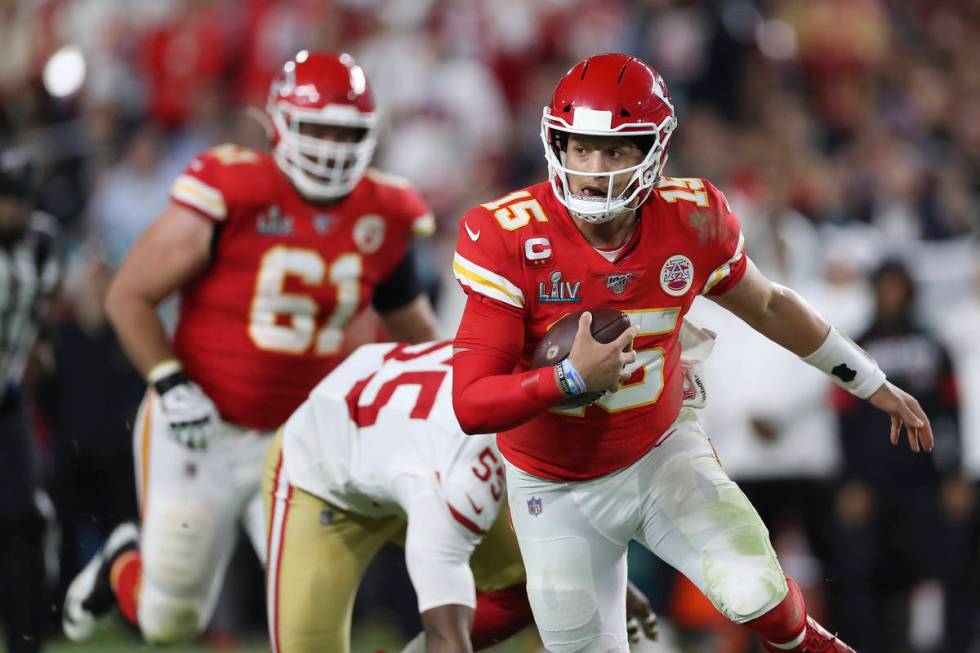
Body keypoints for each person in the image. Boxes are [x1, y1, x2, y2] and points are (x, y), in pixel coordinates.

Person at [450, 53, 933, 653]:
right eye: (580, 148)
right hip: (553, 487)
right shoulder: (509, 236)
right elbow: (471, 403)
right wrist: (571, 379)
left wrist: (870, 382)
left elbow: (771, 306)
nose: (595, 170)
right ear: (556, 145)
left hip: (659, 453)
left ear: (655, 149)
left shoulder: (692, 219)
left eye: (618, 150)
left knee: (759, 594)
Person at [62, 51, 441, 645]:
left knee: (313, 609)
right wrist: (167, 379)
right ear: (279, 126)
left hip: (298, 442)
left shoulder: (385, 211)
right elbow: (127, 295)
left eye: (344, 131)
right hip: (202, 427)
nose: (330, 146)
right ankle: (122, 562)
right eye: (316, 127)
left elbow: (417, 331)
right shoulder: (232, 188)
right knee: (171, 622)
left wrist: (457, 395)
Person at [264, 339, 660, 653]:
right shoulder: (462, 477)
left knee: (539, 585)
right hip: (322, 474)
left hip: (410, 446)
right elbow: (445, 637)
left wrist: (605, 584)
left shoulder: (519, 368)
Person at [829, 258, 970, 652]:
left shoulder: (933, 344)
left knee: (949, 569)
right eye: (884, 287)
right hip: (871, 483)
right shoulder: (856, 348)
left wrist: (955, 475)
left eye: (898, 287)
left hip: (925, 481)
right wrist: (850, 481)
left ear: (909, 291)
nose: (891, 295)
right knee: (863, 575)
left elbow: (951, 412)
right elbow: (844, 420)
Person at [0, 149, 62, 653]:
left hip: (8, 403)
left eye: (14, 201)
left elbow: (38, 318)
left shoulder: (42, 244)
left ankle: (25, 636)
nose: (8, 212)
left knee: (23, 517)